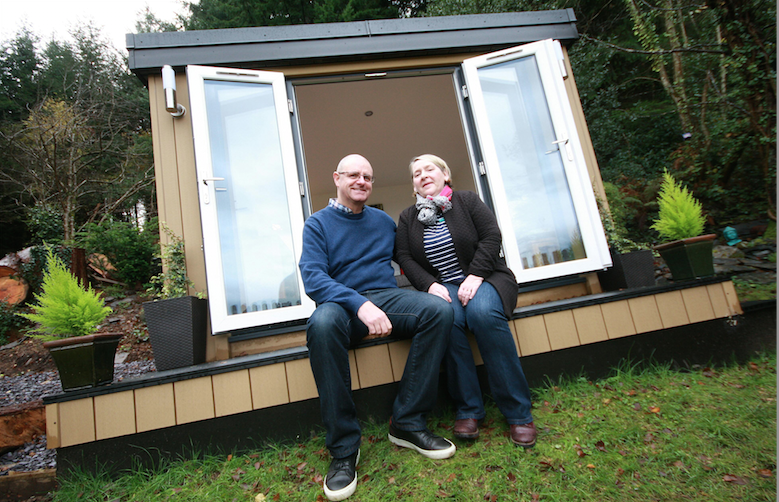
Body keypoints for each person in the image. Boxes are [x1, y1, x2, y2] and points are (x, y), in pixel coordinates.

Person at [299, 154, 456, 501]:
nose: (361, 182)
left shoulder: (384, 222)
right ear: (337, 178)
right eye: (353, 175)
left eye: (368, 177)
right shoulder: (318, 224)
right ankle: (343, 449)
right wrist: (360, 304)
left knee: (438, 311)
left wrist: (432, 284)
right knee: (321, 323)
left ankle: (408, 423)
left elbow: (409, 259)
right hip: (342, 306)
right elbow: (313, 278)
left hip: (387, 298)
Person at [395, 154, 537, 448]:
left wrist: (475, 275)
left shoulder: (467, 200)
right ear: (414, 186)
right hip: (443, 287)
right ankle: (469, 410)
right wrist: (430, 284)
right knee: (447, 321)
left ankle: (518, 413)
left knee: (482, 314)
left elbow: (490, 236)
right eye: (416, 173)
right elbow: (405, 256)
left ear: (445, 174)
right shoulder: (408, 218)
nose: (423, 175)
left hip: (486, 277)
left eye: (429, 169)